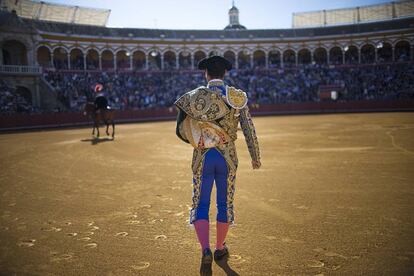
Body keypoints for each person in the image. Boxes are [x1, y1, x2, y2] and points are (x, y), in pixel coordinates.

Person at [174, 55, 261, 275]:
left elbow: (181, 128)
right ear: (225, 74)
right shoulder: (236, 96)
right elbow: (249, 128)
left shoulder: (194, 96)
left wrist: (199, 140)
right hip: (227, 157)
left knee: (201, 204)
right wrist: (255, 156)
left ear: (206, 74)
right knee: (225, 205)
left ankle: (205, 250)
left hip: (203, 156)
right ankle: (220, 248)